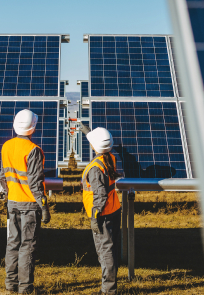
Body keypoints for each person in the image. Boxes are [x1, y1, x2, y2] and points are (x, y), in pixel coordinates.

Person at [0, 109, 51, 294]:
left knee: (12, 243)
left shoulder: (6, 146)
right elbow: (35, 184)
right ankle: (26, 288)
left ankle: (10, 284)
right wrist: (44, 206)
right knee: (27, 247)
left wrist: (8, 193)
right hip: (29, 205)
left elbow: (3, 176)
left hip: (12, 202)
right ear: (33, 127)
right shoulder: (33, 150)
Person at [80, 124, 122, 295]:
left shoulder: (95, 168)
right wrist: (87, 132)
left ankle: (108, 290)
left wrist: (95, 216)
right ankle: (109, 286)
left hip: (102, 214)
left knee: (105, 252)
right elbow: (100, 144)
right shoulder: (110, 158)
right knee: (110, 249)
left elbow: (100, 195)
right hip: (113, 209)